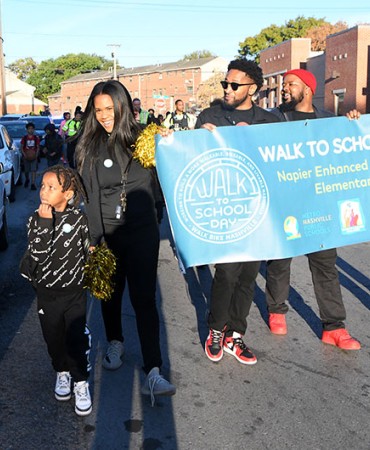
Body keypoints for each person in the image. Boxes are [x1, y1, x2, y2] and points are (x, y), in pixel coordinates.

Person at [75, 79, 176, 405]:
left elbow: (175, 168)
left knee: (145, 300)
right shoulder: (89, 146)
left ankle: (154, 370)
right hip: (109, 235)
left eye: (110, 109)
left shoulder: (147, 139)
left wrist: (172, 143)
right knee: (111, 295)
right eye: (99, 109)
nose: (104, 116)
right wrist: (92, 240)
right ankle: (115, 341)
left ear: (123, 107)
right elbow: (89, 198)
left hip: (144, 233)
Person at [265, 68, 361, 350]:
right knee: (280, 260)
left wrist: (351, 123)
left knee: (326, 265)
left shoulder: (328, 121)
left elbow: (347, 149)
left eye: (290, 84)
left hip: (320, 206)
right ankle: (276, 310)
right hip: (286, 203)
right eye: (284, 85)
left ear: (307, 88)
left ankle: (334, 327)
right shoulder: (273, 119)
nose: (285, 89)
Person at [196, 59, 280, 365]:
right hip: (224, 210)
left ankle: (236, 334)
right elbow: (191, 162)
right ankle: (216, 329)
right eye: (225, 84)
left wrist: (351, 121)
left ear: (252, 89)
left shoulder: (270, 122)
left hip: (258, 211)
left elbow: (295, 153)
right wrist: (200, 140)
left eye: (234, 85)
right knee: (227, 273)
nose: (227, 89)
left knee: (248, 276)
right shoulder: (210, 116)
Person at [20, 165, 92, 416]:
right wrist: (44, 223)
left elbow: (86, 249)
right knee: (53, 338)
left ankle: (80, 381)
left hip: (74, 293)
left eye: (52, 187)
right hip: (47, 293)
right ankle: (62, 372)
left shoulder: (79, 219)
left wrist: (94, 262)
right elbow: (37, 254)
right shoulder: (34, 219)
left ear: (68, 194)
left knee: (75, 338)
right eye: (43, 186)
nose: (44, 191)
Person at [20, 122, 40, 190]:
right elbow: (21, 147)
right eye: (29, 129)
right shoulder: (24, 138)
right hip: (26, 156)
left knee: (33, 170)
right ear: (27, 130)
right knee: (26, 170)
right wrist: (24, 154)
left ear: (34, 130)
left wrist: (36, 155)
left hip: (33, 156)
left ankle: (33, 183)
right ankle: (27, 179)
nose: (30, 130)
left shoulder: (36, 138)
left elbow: (38, 147)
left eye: (32, 129)